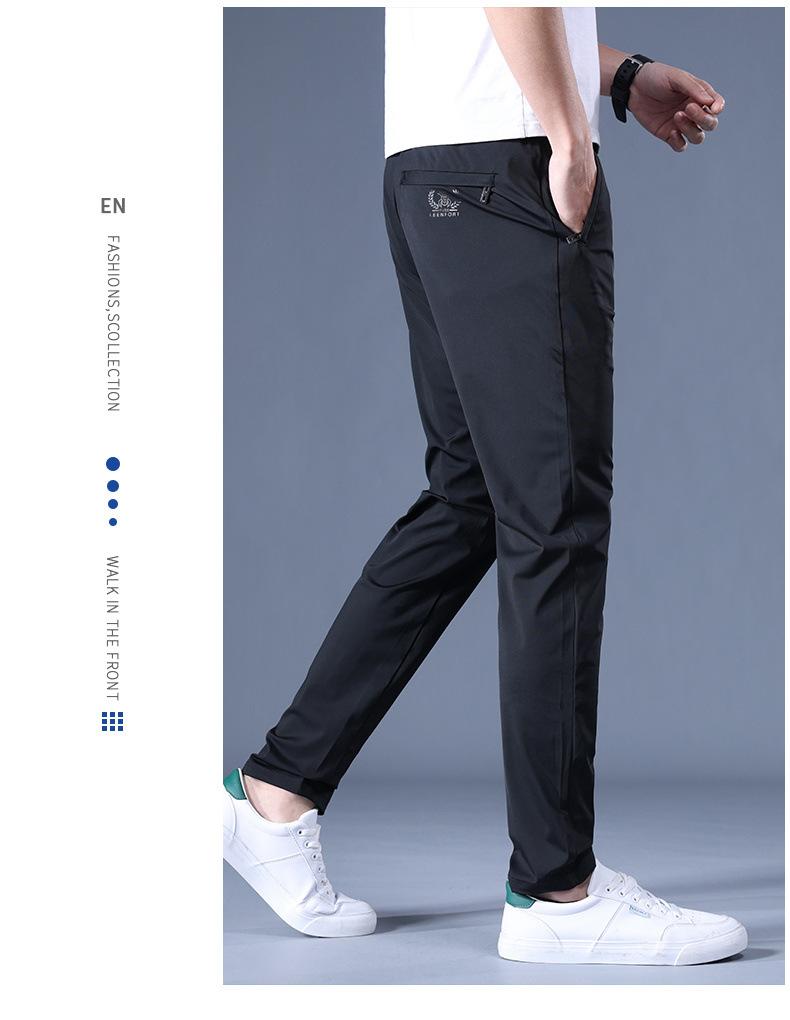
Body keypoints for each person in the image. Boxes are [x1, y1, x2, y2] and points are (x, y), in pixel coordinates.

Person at [223, 7, 747, 964]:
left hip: (431, 164)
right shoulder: (538, 142)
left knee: (472, 494)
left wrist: (618, 74)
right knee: (554, 515)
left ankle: (277, 792)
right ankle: (556, 890)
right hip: (507, 165)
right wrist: (568, 138)